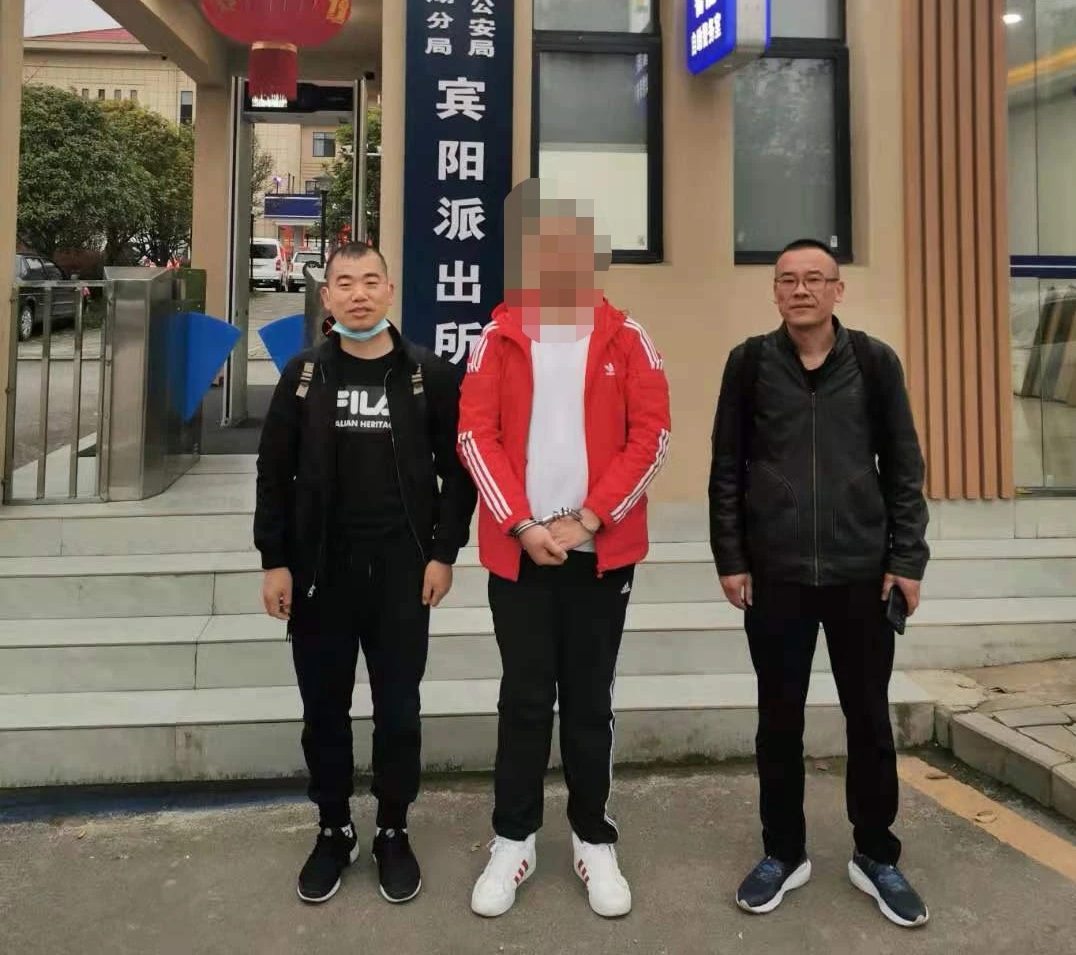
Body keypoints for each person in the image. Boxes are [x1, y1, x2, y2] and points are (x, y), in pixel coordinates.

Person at [459, 181, 671, 921]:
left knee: (588, 699)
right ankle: (513, 838)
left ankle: (593, 837)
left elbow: (652, 437)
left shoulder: (627, 337)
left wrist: (589, 520)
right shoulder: (496, 337)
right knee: (524, 697)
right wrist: (521, 524)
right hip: (519, 552)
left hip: (599, 554)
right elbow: (474, 435)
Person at [708, 238, 930, 929]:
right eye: (787, 280)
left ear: (838, 290)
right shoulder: (750, 364)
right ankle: (783, 852)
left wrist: (907, 558)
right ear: (774, 292)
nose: (800, 290)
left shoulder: (874, 362)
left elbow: (903, 465)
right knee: (778, 721)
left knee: (869, 720)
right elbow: (726, 468)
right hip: (775, 577)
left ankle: (876, 855)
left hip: (860, 573)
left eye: (814, 278)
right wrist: (731, 557)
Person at [254, 242, 476, 906]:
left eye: (370, 281)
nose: (358, 294)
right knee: (323, 712)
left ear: (389, 291)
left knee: (398, 712)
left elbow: (459, 474)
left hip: (402, 575)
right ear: (327, 297)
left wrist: (443, 553)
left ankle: (392, 829)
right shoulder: (304, 376)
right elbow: (273, 473)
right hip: (320, 576)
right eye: (344, 283)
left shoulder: (427, 375)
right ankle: (334, 829)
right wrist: (274, 560)